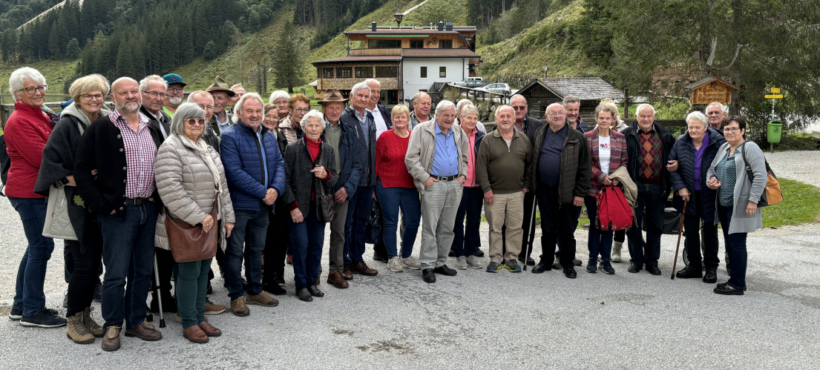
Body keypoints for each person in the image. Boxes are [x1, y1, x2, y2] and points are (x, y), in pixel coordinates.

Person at [74, 77, 165, 351]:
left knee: (141, 271)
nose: (130, 96)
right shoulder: (102, 128)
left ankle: (136, 320)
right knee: (115, 273)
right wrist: (103, 206)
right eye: (123, 93)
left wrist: (158, 200)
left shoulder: (152, 128)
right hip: (118, 213)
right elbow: (81, 170)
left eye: (133, 91)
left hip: (147, 209)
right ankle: (112, 325)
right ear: (113, 97)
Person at [35, 76, 110, 342]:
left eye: (99, 95)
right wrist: (75, 178)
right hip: (76, 203)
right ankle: (73, 319)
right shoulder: (67, 124)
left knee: (94, 263)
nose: (94, 99)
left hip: (100, 201)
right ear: (78, 98)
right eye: (88, 95)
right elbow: (50, 161)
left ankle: (87, 314)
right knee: (84, 264)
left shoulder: (105, 119)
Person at [153, 103, 235, 343]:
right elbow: (170, 190)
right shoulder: (171, 148)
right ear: (180, 122)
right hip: (187, 223)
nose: (198, 125)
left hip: (210, 221)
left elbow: (223, 187)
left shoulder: (205, 147)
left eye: (201, 121)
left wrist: (227, 217)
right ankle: (189, 322)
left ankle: (199, 317)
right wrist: (199, 216)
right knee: (188, 272)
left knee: (201, 272)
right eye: (192, 121)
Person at [4, 67, 65, 328]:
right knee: (41, 247)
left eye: (41, 87)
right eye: (32, 89)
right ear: (18, 93)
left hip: (37, 190)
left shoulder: (41, 114)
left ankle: (21, 305)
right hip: (27, 191)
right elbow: (42, 158)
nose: (39, 92)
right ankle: (32, 310)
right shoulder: (19, 121)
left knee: (36, 246)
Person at [220, 93, 285, 316]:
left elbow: (279, 164)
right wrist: (263, 192)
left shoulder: (268, 135)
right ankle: (236, 295)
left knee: (257, 250)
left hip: (263, 206)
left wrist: (276, 190)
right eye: (249, 111)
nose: (255, 115)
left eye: (258, 111)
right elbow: (233, 172)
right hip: (240, 205)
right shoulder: (229, 136)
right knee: (235, 252)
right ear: (239, 113)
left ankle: (255, 290)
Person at [405, 100, 468, 283]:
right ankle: (427, 265)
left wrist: (462, 175)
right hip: (433, 184)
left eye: (452, 115)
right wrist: (424, 178)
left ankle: (440, 262)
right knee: (430, 227)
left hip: (454, 183)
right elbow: (411, 158)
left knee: (448, 227)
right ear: (437, 114)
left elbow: (465, 156)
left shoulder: (457, 129)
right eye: (446, 115)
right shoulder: (422, 129)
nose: (449, 119)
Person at [528, 103, 591, 279]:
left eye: (560, 113)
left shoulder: (577, 137)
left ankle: (568, 263)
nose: (557, 116)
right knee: (547, 229)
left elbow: (585, 168)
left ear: (565, 115)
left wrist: (580, 193)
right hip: (545, 190)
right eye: (553, 113)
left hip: (569, 192)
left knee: (567, 230)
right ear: (546, 117)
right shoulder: (540, 133)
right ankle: (546, 261)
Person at [282, 110, 338, 301]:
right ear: (304, 127)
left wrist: (326, 175)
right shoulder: (293, 149)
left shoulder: (328, 150)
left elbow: (334, 179)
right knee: (300, 245)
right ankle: (301, 285)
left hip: (319, 207)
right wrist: (292, 206)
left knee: (316, 245)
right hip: (298, 207)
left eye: (317, 125)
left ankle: (312, 282)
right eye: (310, 125)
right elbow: (285, 180)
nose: (314, 129)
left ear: (322, 128)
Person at [706, 116, 765, 295]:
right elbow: (712, 169)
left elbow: (760, 175)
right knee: (730, 243)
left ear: (743, 131)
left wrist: (753, 200)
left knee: (737, 243)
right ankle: (736, 280)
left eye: (733, 129)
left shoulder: (750, 148)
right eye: (726, 129)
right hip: (724, 203)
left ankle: (737, 284)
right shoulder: (724, 148)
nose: (729, 132)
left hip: (741, 203)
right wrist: (711, 181)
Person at [668, 111, 726, 283]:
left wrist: (718, 181)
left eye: (697, 127)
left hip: (710, 193)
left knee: (710, 231)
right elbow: (671, 167)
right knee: (691, 231)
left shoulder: (718, 142)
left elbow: (726, 165)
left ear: (705, 127)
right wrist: (680, 187)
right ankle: (694, 265)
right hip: (688, 194)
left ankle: (711, 267)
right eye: (690, 127)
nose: (693, 130)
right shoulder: (681, 142)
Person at [477, 105, 532, 274]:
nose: (506, 119)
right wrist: (486, 189)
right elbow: (481, 167)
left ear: (514, 119)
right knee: (495, 227)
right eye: (502, 116)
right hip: (494, 193)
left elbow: (530, 165)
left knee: (515, 227)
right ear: (496, 119)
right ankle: (495, 258)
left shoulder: (523, 139)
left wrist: (526, 186)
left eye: (509, 116)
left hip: (517, 192)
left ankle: (511, 258)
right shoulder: (488, 139)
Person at [622, 104, 676, 275]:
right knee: (633, 224)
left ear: (653, 117)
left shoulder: (665, 135)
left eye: (649, 116)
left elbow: (675, 156)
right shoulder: (626, 135)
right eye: (642, 116)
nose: (646, 119)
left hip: (658, 186)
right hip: (633, 187)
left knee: (656, 226)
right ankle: (636, 260)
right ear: (636, 117)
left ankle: (652, 261)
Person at [138, 75, 176, 314]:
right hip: (148, 194)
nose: (158, 98)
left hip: (166, 193)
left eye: (161, 94)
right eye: (153, 93)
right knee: (143, 252)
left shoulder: (166, 119)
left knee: (164, 249)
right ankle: (140, 301)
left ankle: (162, 296)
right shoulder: (137, 119)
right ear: (142, 94)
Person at [319, 90, 364, 288]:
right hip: (319, 187)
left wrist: (347, 188)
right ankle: (313, 271)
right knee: (316, 232)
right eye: (331, 107)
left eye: (338, 107)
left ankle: (335, 270)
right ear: (324, 108)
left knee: (339, 232)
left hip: (341, 188)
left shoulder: (349, 131)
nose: (335, 111)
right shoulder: (315, 128)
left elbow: (357, 164)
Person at [376, 104, 422, 272]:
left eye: (403, 117)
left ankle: (406, 255)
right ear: (392, 119)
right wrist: (374, 188)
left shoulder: (414, 136)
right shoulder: (384, 137)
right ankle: (393, 258)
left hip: (410, 185)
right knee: (391, 222)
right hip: (388, 185)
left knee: (413, 220)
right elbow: (376, 163)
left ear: (408, 119)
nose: (400, 120)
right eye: (397, 117)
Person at [583, 104, 628, 275]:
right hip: (593, 188)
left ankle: (606, 260)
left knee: (609, 225)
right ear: (596, 119)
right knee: (595, 224)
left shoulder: (620, 138)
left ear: (613, 119)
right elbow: (585, 163)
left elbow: (624, 161)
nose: (604, 121)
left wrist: (617, 177)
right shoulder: (587, 137)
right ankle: (592, 259)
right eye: (601, 118)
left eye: (607, 118)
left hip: (612, 189)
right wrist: (601, 177)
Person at [340, 83, 379, 277]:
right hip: (350, 180)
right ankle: (344, 262)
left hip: (368, 180)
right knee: (346, 223)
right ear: (351, 96)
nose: (363, 99)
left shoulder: (370, 118)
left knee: (362, 222)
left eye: (366, 96)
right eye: (360, 96)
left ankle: (357, 259)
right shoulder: (343, 118)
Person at [504, 94, 543, 266]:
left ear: (526, 108)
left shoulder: (538, 126)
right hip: (507, 181)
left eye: (521, 107)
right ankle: (507, 252)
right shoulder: (503, 123)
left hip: (530, 180)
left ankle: (524, 252)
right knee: (507, 219)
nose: (518, 111)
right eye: (515, 107)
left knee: (528, 219)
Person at [451, 104, 486, 269]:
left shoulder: (481, 136)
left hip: (477, 185)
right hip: (459, 185)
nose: (472, 121)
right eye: (469, 118)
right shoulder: (453, 133)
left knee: (474, 220)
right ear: (460, 117)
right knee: (457, 220)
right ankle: (459, 254)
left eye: (475, 118)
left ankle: (471, 252)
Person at [261, 103, 290, 295]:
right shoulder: (259, 135)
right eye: (268, 116)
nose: (272, 120)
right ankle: (263, 279)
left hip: (278, 193)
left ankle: (275, 275)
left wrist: (278, 188)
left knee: (278, 239)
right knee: (263, 242)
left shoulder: (279, 136)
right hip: (262, 195)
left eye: (275, 117)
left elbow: (283, 165)